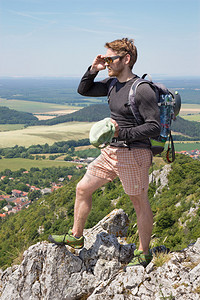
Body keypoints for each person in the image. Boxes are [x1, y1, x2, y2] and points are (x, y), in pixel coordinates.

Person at [49, 38, 161, 267]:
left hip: (134, 153)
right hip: (112, 151)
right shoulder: (111, 83)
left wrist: (122, 134)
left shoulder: (142, 90)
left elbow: (154, 127)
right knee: (82, 188)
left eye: (110, 58)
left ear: (126, 59)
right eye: (105, 58)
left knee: (139, 202)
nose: (107, 62)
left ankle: (143, 252)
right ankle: (76, 237)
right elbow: (84, 89)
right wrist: (93, 69)